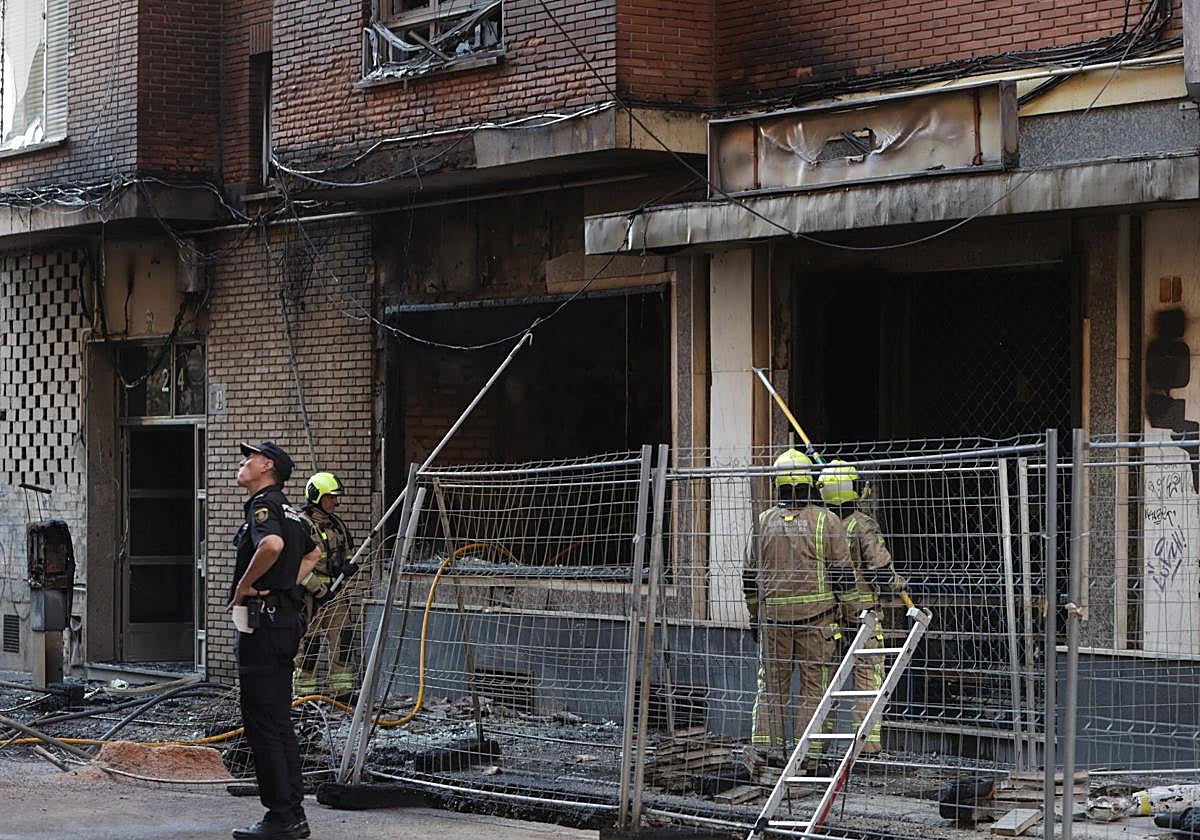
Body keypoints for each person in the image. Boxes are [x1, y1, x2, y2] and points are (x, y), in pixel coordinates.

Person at [229, 441, 319, 840]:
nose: (242, 463)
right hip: (284, 621)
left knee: (263, 723)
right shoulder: (295, 514)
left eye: (249, 458)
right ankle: (291, 813)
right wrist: (286, 584)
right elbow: (314, 554)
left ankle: (281, 817)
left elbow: (271, 545)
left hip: (263, 626)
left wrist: (245, 587)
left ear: (266, 466)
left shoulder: (263, 507)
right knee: (279, 721)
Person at [744, 448, 852, 771]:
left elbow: (749, 578)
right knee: (813, 690)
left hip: (773, 623)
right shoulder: (826, 521)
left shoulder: (762, 522)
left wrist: (754, 617)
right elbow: (844, 578)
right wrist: (850, 619)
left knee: (771, 688)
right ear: (809, 483)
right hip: (817, 624)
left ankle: (767, 751)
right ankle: (809, 755)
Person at [817, 459, 909, 755]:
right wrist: (901, 585)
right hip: (864, 615)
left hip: (829, 614)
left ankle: (818, 746)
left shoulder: (821, 525)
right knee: (868, 678)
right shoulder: (862, 524)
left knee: (826, 682)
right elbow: (880, 569)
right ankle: (868, 745)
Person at [295, 471, 360, 699]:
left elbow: (347, 553)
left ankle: (342, 693)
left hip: (337, 596)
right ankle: (303, 698)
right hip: (310, 598)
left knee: (343, 643)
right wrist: (320, 591)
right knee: (309, 648)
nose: (336, 502)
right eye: (331, 497)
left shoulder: (337, 525)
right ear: (317, 496)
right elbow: (296, 569)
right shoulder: (301, 526)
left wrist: (346, 567)